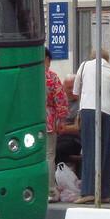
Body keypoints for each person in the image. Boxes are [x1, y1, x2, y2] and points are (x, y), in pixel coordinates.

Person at [71, 50, 110, 203]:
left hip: (89, 110)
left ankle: (89, 191)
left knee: (90, 150)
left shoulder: (84, 66)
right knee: (106, 152)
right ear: (107, 59)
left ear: (92, 57)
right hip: (108, 113)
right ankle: (104, 193)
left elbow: (75, 91)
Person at [43, 47, 68, 202]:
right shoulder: (51, 77)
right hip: (48, 121)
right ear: (47, 59)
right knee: (49, 156)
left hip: (28, 122)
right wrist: (62, 119)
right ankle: (50, 191)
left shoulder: (27, 76)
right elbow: (61, 99)